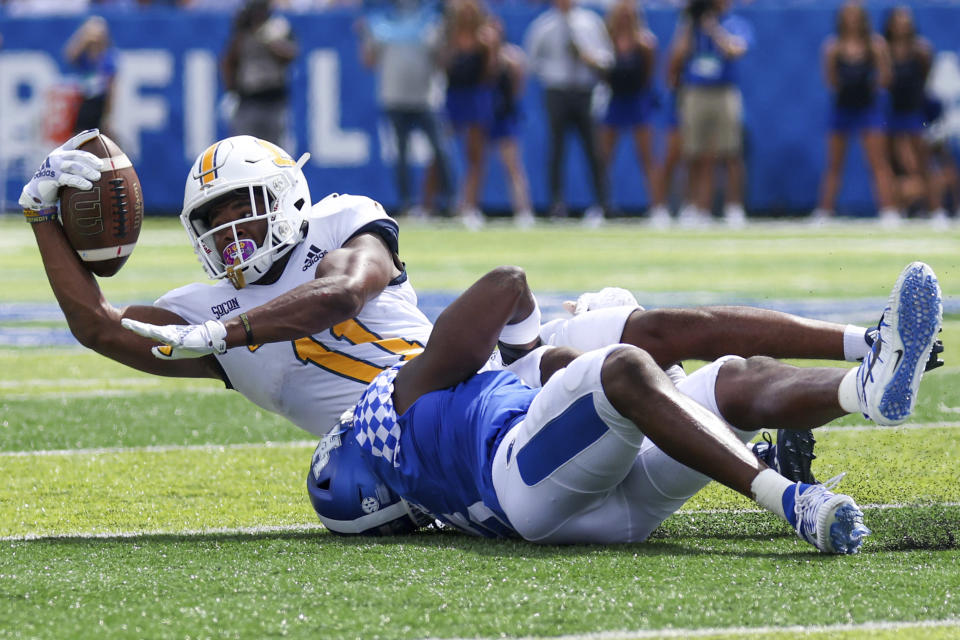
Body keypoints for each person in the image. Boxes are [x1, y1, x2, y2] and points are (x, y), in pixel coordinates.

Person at [20, 130, 943, 481]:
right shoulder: (206, 306)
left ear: (290, 201)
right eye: (211, 226)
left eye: (242, 213)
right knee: (642, 394)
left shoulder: (339, 224)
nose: (229, 240)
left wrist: (226, 332)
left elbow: (344, 291)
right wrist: (42, 219)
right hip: (422, 434)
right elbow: (100, 325)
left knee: (660, 332)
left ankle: (873, 346)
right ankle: (785, 444)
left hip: (483, 364)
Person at [306, 261, 942, 553]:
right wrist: (529, 333)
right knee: (626, 369)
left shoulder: (424, 467)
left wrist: (544, 347)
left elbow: (556, 385)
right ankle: (787, 496)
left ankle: (863, 388)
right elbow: (507, 283)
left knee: (729, 382)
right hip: (527, 478)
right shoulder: (404, 401)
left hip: (581, 498)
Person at [357, 0, 455, 219]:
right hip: (394, 98)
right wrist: (365, 36)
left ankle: (450, 202)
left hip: (426, 98)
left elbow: (442, 61)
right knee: (401, 155)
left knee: (440, 150)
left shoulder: (431, 23)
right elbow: (369, 61)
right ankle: (406, 204)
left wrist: (445, 37)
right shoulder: (382, 25)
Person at [525, 0, 613, 227]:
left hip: (585, 90)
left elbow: (607, 56)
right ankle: (556, 205)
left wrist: (590, 58)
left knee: (593, 150)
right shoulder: (544, 25)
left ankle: (602, 204)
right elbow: (533, 61)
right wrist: (551, 74)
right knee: (556, 151)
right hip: (557, 91)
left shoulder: (590, 22)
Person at [812, 2, 899, 227]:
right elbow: (830, 80)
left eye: (855, 15)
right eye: (847, 15)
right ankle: (825, 212)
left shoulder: (876, 45)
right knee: (834, 164)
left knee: (878, 162)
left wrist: (867, 86)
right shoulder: (833, 46)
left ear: (863, 18)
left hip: (868, 108)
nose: (851, 19)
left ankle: (889, 211)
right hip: (842, 108)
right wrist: (847, 85)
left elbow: (885, 76)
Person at [668, 0, 752, 229]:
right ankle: (693, 207)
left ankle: (734, 207)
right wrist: (689, 24)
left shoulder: (733, 23)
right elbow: (677, 56)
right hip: (695, 91)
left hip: (723, 90)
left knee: (731, 152)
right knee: (693, 152)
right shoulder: (690, 24)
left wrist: (713, 28)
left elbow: (735, 50)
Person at [598, 0, 658, 220]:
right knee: (603, 158)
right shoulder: (607, 42)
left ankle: (657, 207)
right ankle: (601, 206)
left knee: (647, 157)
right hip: (614, 101)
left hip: (636, 101)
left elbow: (649, 75)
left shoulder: (645, 43)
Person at [882, 6, 942, 223]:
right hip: (891, 113)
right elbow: (883, 81)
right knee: (888, 164)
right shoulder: (883, 48)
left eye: (906, 19)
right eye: (898, 19)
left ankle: (937, 212)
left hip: (914, 113)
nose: (902, 23)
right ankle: (891, 212)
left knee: (925, 163)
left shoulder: (921, 50)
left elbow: (925, 80)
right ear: (890, 23)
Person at [441, 0, 497, 230]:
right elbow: (442, 66)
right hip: (454, 97)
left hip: (474, 96)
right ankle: (430, 205)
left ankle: (470, 205)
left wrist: (491, 47)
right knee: (441, 152)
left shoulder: (486, 37)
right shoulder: (448, 35)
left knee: (475, 156)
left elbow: (491, 72)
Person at [221, 0, 299, 145]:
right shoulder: (243, 31)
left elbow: (291, 55)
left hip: (273, 99)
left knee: (275, 150)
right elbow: (228, 61)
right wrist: (231, 89)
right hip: (247, 100)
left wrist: (271, 42)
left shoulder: (278, 27)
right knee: (243, 149)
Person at [487, 18, 536, 229]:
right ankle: (466, 208)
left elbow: (518, 87)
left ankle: (523, 211)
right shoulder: (483, 57)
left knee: (513, 166)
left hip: (504, 116)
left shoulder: (512, 57)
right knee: (476, 165)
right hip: (483, 116)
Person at [63, 16, 118, 135]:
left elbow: (111, 88)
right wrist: (82, 37)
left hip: (99, 103)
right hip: (82, 102)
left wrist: (108, 115)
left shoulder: (108, 58)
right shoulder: (84, 56)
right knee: (79, 135)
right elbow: (69, 55)